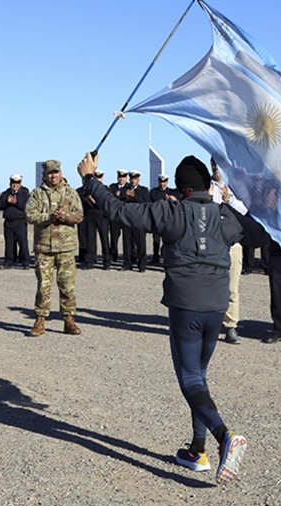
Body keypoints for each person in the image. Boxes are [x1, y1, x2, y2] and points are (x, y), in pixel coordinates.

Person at [77, 151, 249, 484]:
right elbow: (246, 232)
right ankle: (197, 450)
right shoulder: (224, 215)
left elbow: (120, 211)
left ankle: (224, 436)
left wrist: (90, 180)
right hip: (216, 307)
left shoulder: (171, 211)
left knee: (189, 378)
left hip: (186, 305)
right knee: (199, 375)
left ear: (183, 190)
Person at [25, 160, 84, 337]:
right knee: (43, 286)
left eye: (56, 172)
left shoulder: (70, 192)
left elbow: (79, 215)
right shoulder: (37, 193)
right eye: (50, 173)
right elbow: (30, 215)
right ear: (44, 175)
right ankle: (40, 320)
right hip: (44, 248)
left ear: (61, 173)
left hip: (65, 248)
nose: (53, 176)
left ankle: (69, 320)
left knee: (67, 286)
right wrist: (49, 217)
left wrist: (64, 215)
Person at [209, 157, 250, 345]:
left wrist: (229, 199)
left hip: (232, 246)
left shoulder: (236, 186)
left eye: (220, 165)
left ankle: (231, 326)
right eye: (214, 165)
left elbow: (245, 211)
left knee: (232, 288)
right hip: (211, 246)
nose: (217, 169)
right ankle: (210, 324)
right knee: (210, 286)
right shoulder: (205, 186)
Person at [79, 169, 112, 270]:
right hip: (90, 217)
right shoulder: (84, 191)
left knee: (105, 239)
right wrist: (89, 200)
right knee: (90, 240)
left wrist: (95, 201)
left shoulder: (105, 189)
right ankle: (90, 261)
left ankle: (107, 261)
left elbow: (107, 202)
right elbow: (83, 202)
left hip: (102, 217)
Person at [0, 174, 30, 269]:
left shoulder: (24, 193)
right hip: (9, 222)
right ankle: (9, 261)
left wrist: (16, 203)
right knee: (9, 243)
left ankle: (25, 262)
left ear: (20, 183)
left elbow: (27, 207)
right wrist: (7, 202)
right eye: (13, 183)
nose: (15, 185)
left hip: (20, 221)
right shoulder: (6, 193)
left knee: (23, 243)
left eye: (17, 183)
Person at [149, 174, 178, 264]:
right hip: (157, 219)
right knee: (156, 240)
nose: (162, 184)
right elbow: (150, 204)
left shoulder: (172, 192)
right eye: (161, 182)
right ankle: (155, 257)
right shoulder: (154, 192)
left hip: (168, 220)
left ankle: (166, 257)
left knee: (167, 240)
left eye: (164, 182)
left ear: (167, 182)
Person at [110, 170, 134, 270]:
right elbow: (109, 198)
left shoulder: (129, 187)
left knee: (128, 239)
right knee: (114, 237)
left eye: (123, 177)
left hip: (126, 216)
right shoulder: (113, 187)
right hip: (115, 216)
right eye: (120, 177)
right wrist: (116, 196)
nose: (121, 179)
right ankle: (113, 255)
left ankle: (129, 259)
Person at [127, 171, 150, 272]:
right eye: (131, 179)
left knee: (140, 243)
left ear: (138, 180)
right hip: (127, 219)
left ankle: (142, 265)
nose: (133, 181)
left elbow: (146, 202)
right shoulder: (125, 189)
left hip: (139, 220)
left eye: (135, 179)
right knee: (127, 243)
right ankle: (128, 264)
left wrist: (134, 196)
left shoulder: (143, 190)